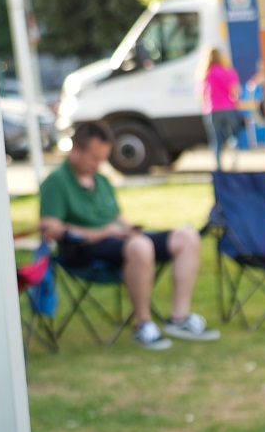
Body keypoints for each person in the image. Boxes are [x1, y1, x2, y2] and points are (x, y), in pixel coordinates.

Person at [37, 122, 217, 351]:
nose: (98, 164)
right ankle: (143, 324)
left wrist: (129, 228)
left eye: (102, 158)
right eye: (94, 158)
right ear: (76, 150)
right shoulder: (56, 182)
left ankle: (179, 318)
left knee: (186, 236)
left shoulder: (101, 181)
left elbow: (117, 217)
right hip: (83, 249)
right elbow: (49, 229)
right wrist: (103, 232)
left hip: (120, 240)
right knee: (140, 246)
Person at [202, 49, 244, 171]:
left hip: (213, 110)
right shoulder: (228, 72)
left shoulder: (206, 74)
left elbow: (203, 94)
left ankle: (218, 166)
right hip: (229, 108)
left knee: (216, 139)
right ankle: (233, 150)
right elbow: (236, 91)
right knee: (232, 135)